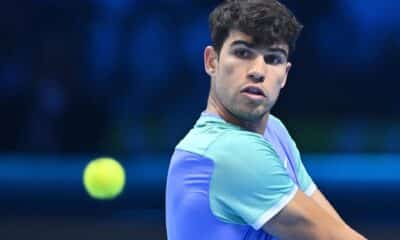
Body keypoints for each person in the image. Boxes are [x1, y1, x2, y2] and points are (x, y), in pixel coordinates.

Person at [165, 0, 367, 239]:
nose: (258, 71)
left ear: (285, 75)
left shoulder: (274, 129)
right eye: (242, 53)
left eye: (273, 59)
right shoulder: (228, 150)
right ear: (212, 61)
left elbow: (333, 226)